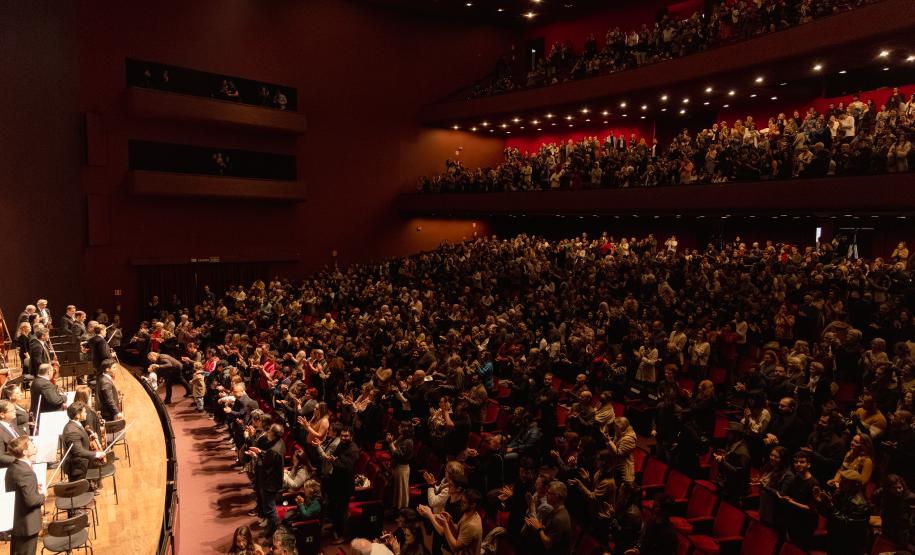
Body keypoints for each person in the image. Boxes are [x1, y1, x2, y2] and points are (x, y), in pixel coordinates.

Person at [5, 437, 45, 555]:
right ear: (25, 452)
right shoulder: (26, 472)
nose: (34, 445)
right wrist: (43, 495)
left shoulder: (14, 466)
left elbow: (20, 493)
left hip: (18, 523)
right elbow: (31, 501)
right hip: (27, 525)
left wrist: (33, 489)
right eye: (31, 444)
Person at [418, 488, 483, 555]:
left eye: (464, 502)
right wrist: (449, 521)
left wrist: (445, 524)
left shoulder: (472, 525)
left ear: (473, 505)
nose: (461, 504)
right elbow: (458, 531)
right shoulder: (468, 513)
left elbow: (455, 547)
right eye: (461, 501)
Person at [324, 427, 360, 542]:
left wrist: (334, 460)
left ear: (351, 437)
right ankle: (335, 527)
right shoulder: (341, 444)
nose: (343, 438)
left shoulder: (353, 450)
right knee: (335, 507)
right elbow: (335, 455)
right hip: (336, 481)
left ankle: (344, 536)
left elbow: (347, 467)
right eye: (342, 436)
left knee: (343, 510)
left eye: (346, 436)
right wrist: (334, 459)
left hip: (345, 484)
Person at [61, 401, 106, 483]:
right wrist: (97, 454)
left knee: (91, 487)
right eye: (84, 412)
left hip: (83, 465)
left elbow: (79, 441)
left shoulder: (75, 424)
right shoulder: (72, 432)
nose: (86, 413)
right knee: (83, 492)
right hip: (78, 469)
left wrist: (89, 438)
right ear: (78, 415)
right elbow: (78, 451)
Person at [523, 481, 572, 555]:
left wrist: (539, 529)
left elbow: (548, 544)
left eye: (549, 493)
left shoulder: (559, 519)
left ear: (557, 496)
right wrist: (535, 526)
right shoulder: (555, 510)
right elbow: (547, 529)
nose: (546, 495)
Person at [386, 421, 414, 510]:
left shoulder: (409, 441)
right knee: (396, 491)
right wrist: (390, 442)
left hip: (402, 468)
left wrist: (390, 443)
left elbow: (397, 453)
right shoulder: (402, 437)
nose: (398, 427)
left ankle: (401, 510)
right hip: (397, 466)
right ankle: (395, 509)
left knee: (401, 491)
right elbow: (393, 447)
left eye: (400, 426)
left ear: (405, 429)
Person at [0, 400, 23, 468]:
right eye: (12, 410)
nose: (15, 411)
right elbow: (1, 457)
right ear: (2, 415)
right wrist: (22, 461)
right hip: (12, 467)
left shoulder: (11, 423)